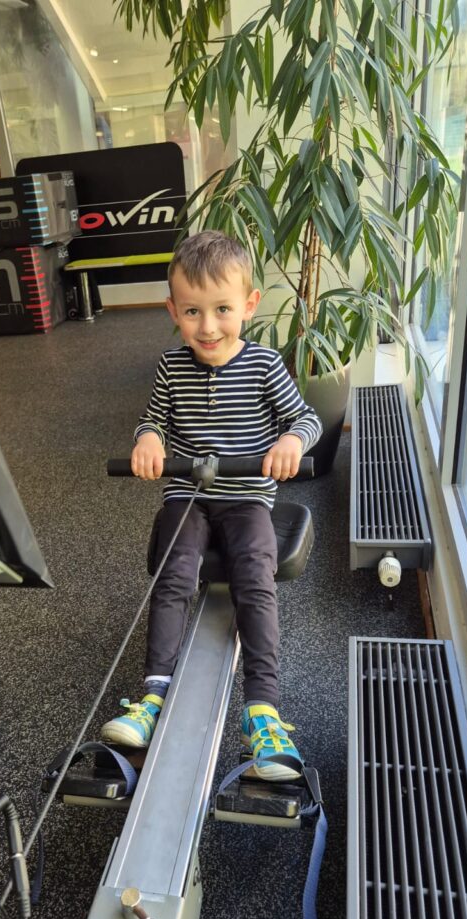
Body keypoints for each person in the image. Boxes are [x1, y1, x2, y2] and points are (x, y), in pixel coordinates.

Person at [101, 230, 322, 781]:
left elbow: (306, 419)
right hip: (189, 494)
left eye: (223, 309)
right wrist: (147, 439)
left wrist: (291, 441)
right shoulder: (171, 366)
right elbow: (153, 420)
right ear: (172, 311)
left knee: (255, 576)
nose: (208, 327)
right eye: (192, 312)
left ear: (249, 305)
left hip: (247, 498)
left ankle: (263, 709)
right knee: (175, 570)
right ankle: (152, 696)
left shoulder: (264, 365)